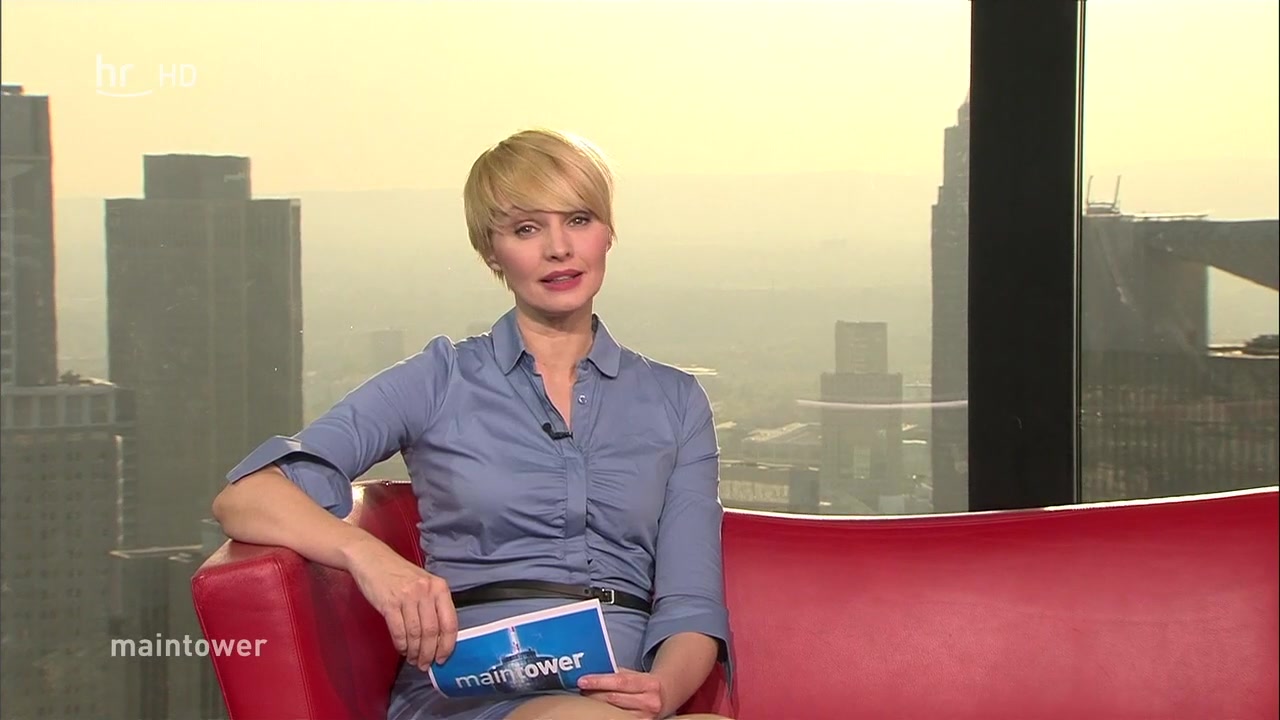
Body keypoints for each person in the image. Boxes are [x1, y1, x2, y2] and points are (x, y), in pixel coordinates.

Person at [211, 128, 734, 720]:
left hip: (624, 695)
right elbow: (246, 498)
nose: (559, 249)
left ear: (608, 232)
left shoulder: (676, 401)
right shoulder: (440, 379)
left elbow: (692, 603)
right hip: (480, 693)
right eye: (527, 229)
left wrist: (661, 690)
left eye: (579, 220)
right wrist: (369, 557)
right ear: (491, 252)